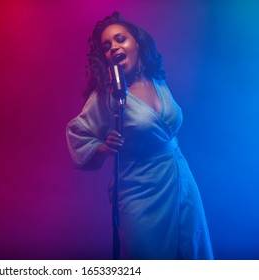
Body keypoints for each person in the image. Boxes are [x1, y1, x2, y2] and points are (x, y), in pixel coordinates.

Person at [66, 11, 214, 259]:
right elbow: (78, 133)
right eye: (107, 46)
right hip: (139, 192)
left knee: (191, 256)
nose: (114, 47)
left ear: (137, 42)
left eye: (120, 39)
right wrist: (103, 146)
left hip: (179, 181)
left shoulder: (157, 80)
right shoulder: (108, 95)